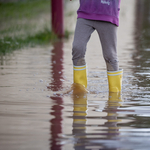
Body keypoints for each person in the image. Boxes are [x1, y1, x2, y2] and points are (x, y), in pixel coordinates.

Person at [71, 0, 123, 92]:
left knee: (110, 56)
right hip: (85, 12)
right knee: (77, 48)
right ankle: (79, 91)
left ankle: (115, 97)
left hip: (108, 13)